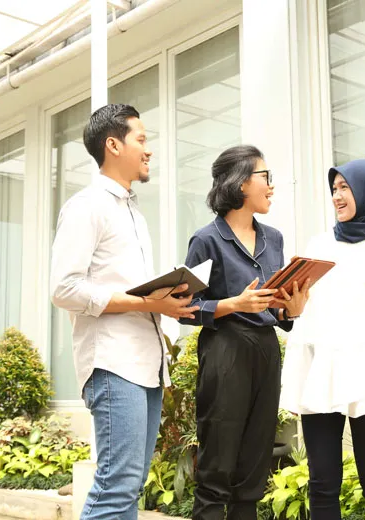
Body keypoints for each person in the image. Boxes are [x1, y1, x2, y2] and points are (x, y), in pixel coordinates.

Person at [50, 103, 199, 520]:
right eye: (141, 139)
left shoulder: (131, 210)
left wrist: (162, 298)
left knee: (129, 488)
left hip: (145, 364)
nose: (148, 150)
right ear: (113, 145)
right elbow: (64, 288)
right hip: (113, 364)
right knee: (116, 487)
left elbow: (124, 288)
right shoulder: (87, 206)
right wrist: (149, 302)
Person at [280, 159, 365, 520]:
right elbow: (305, 316)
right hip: (322, 373)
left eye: (345, 188)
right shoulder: (319, 245)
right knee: (322, 481)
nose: (337, 196)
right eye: (334, 189)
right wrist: (297, 383)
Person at [179, 145, 309, 520]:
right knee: (218, 459)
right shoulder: (207, 240)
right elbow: (184, 308)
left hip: (267, 351)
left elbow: (277, 305)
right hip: (225, 350)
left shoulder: (275, 238)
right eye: (265, 177)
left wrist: (291, 310)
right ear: (239, 183)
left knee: (255, 463)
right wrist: (232, 304)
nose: (272, 186)